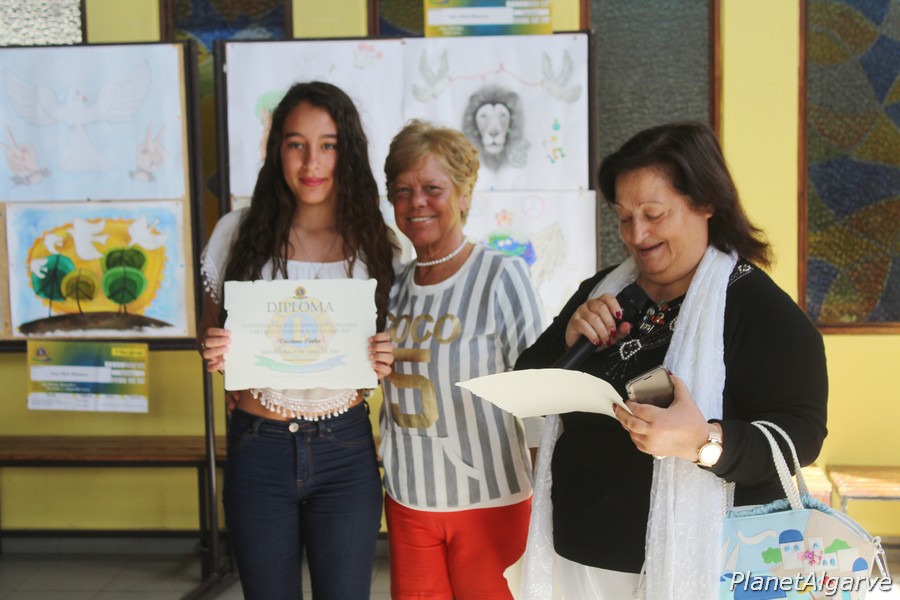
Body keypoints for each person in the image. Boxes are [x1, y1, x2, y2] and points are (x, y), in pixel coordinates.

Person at [512, 122, 828, 599]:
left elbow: (801, 437)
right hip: (576, 554)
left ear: (706, 203)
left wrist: (703, 441)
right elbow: (526, 386)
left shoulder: (755, 307)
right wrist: (570, 337)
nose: (636, 234)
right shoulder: (602, 292)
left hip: (696, 565)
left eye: (654, 214)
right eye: (624, 217)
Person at [197, 81, 398, 600]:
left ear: (347, 152)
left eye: (328, 145)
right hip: (258, 448)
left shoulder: (378, 242)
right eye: (296, 144)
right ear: (276, 150)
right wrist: (214, 351)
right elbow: (210, 335)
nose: (312, 162)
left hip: (345, 448)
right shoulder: (237, 232)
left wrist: (386, 356)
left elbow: (392, 342)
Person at [380, 119, 546, 599]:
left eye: (432, 188)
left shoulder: (501, 275)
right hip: (408, 501)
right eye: (403, 191)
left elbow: (536, 396)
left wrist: (548, 501)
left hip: (491, 502)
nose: (416, 202)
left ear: (464, 194)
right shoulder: (392, 287)